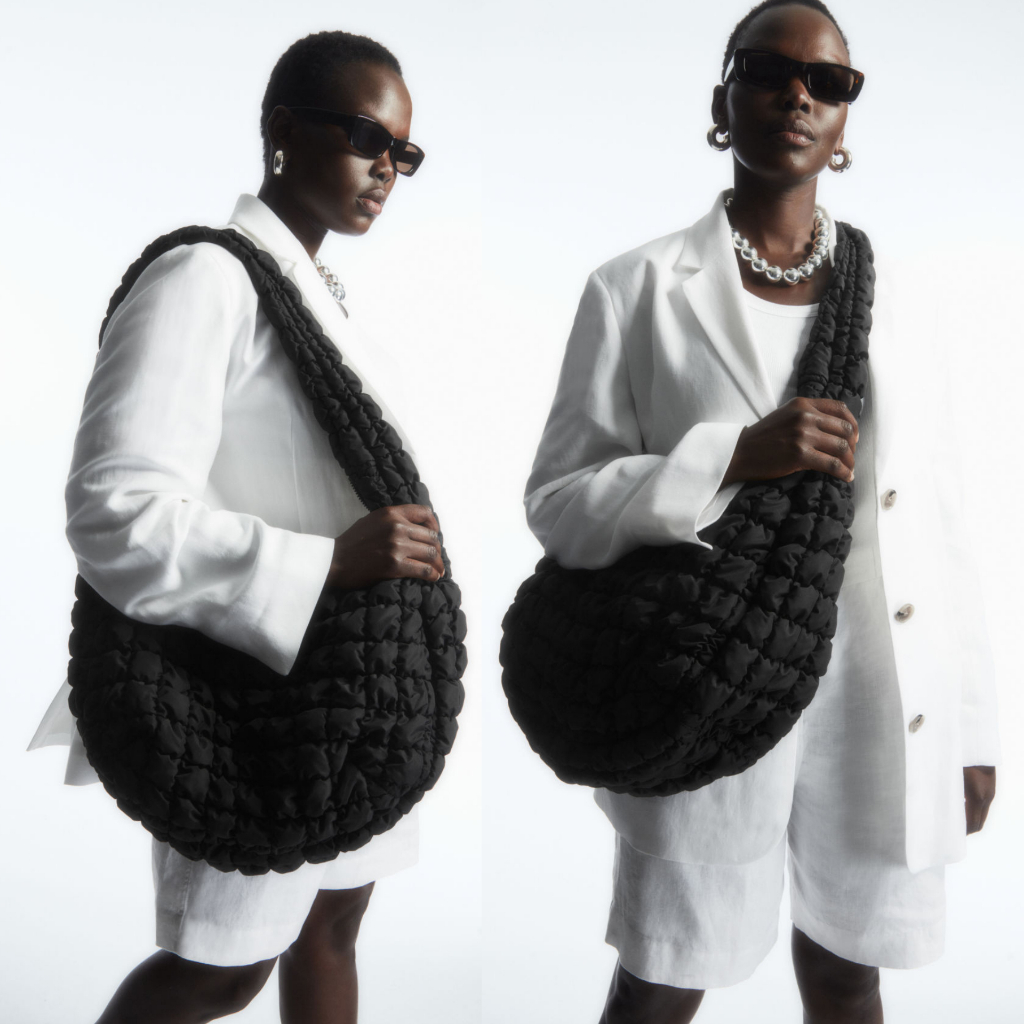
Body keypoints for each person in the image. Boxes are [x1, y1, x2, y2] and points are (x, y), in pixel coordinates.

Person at [521, 2, 999, 1021]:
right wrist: (733, 455)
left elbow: (943, 526)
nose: (797, 96)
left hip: (875, 694)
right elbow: (557, 503)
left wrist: (969, 724)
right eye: (768, 71)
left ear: (846, 117)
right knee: (663, 976)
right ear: (722, 98)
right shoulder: (634, 288)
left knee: (848, 974)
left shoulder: (900, 302)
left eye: (828, 82)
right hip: (706, 682)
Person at [28, 30, 446, 1024]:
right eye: (365, 137)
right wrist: (327, 563)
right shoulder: (203, 279)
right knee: (222, 968)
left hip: (352, 693)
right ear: (283, 130)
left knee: (332, 927)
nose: (386, 169)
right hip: (249, 703)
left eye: (404, 152)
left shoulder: (315, 293)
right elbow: (114, 509)